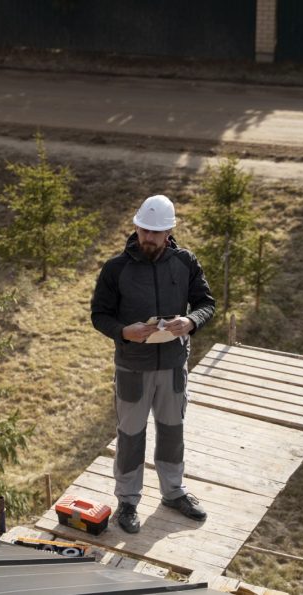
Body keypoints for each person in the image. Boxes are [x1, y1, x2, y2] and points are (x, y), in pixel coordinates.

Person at [90, 194, 215, 534]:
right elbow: (99, 315)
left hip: (173, 365)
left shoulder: (186, 262)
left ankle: (173, 493)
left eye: (155, 233)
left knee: (172, 431)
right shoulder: (116, 268)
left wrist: (191, 322)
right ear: (136, 227)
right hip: (132, 367)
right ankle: (128, 500)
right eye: (144, 230)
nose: (148, 237)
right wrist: (123, 332)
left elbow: (206, 303)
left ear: (169, 232)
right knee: (131, 435)